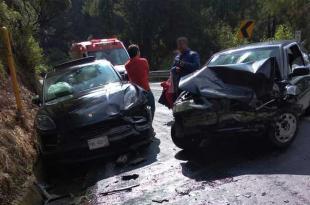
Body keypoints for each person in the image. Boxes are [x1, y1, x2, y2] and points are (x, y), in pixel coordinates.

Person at [125, 44, 155, 120]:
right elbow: (147, 72)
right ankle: (150, 123)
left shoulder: (127, 65)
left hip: (136, 93)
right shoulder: (144, 61)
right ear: (138, 52)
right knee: (152, 106)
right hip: (146, 90)